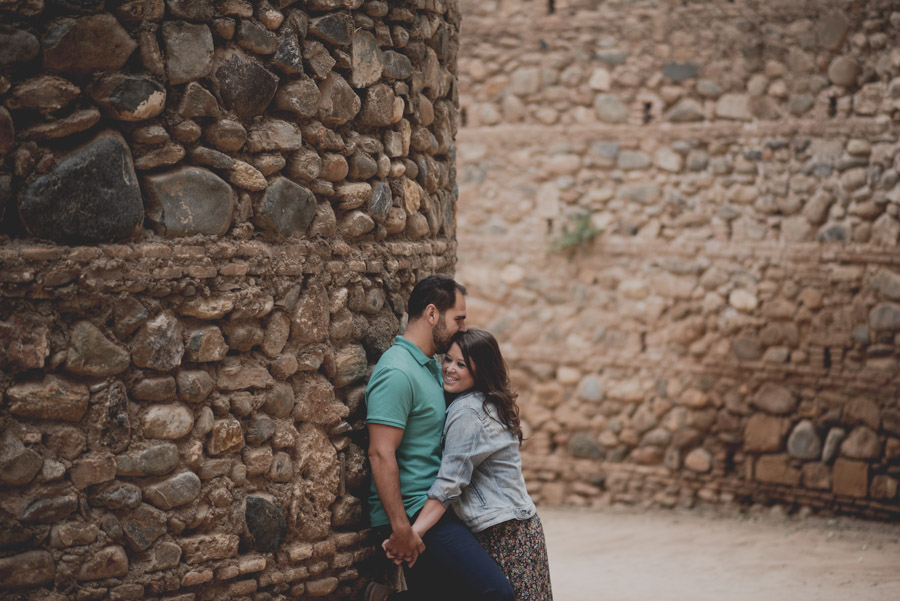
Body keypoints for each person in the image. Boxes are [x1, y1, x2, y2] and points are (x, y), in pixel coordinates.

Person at [365, 275, 514, 601]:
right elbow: (380, 453)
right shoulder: (397, 371)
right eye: (458, 318)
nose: (462, 328)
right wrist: (402, 528)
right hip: (415, 510)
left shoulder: (431, 366)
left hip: (433, 508)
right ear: (432, 314)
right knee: (496, 593)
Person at [404, 328, 554, 601]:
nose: (449, 369)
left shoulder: (470, 412)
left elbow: (450, 482)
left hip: (507, 535)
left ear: (480, 371)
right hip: (515, 528)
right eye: (448, 359)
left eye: (461, 364)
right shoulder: (479, 403)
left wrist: (414, 533)